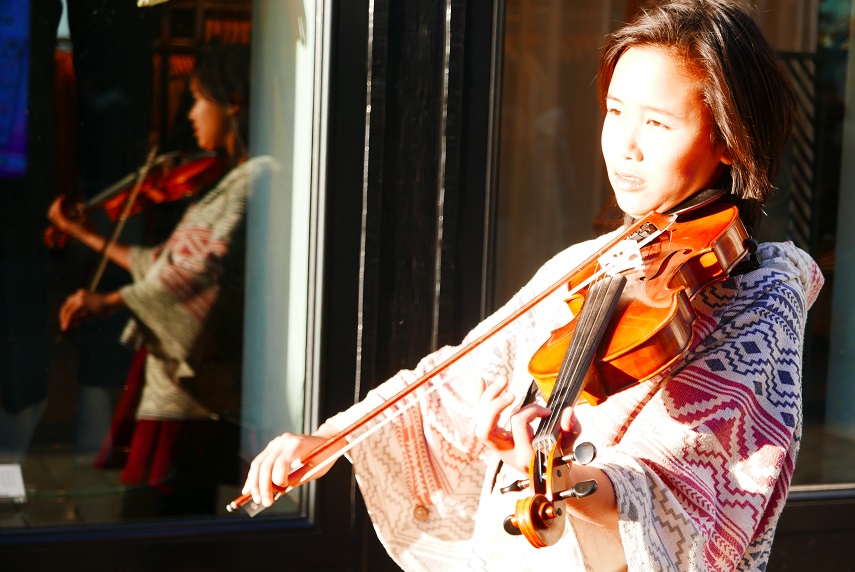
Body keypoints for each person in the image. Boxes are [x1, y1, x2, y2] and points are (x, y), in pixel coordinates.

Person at [243, 1, 824, 570]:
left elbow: (697, 490)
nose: (624, 146)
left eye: (656, 122)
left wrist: (569, 479)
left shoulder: (764, 291)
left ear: (729, 139)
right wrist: (331, 439)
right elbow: (455, 376)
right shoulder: (594, 261)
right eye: (615, 111)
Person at [47, 41, 261, 516]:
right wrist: (80, 231)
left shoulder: (252, 179)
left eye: (198, 98)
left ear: (233, 103)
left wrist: (108, 303)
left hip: (191, 399)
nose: (189, 114)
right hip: (169, 391)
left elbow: (197, 272)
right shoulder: (229, 180)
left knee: (160, 525)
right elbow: (162, 264)